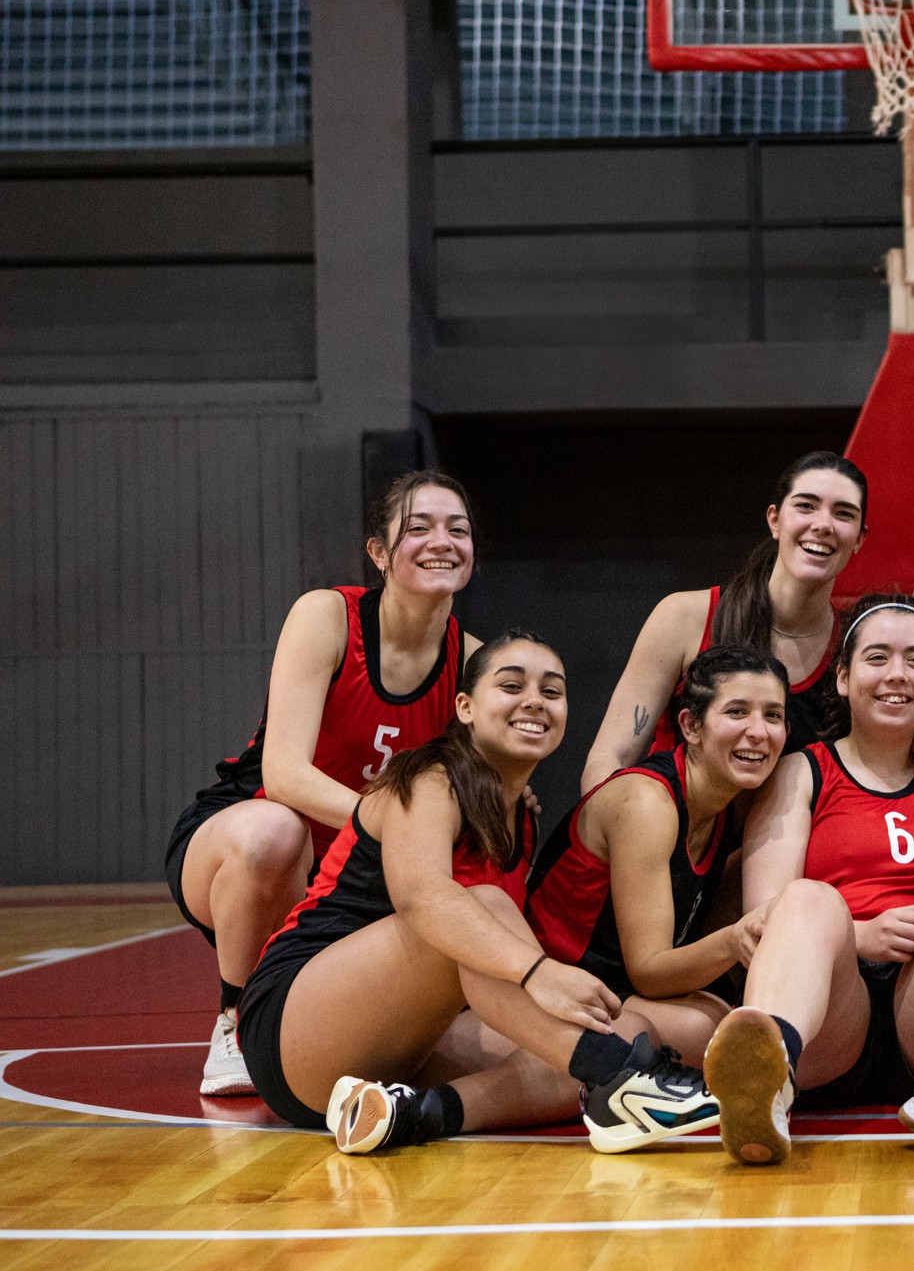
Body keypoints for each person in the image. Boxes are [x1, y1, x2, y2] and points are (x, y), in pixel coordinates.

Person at [237, 633, 719, 1155]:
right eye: (511, 685)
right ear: (465, 707)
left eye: (551, 692)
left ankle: (417, 1114)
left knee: (624, 1027)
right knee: (483, 910)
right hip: (295, 1027)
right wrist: (539, 972)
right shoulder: (428, 777)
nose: (534, 700)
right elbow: (422, 898)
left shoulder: (519, 816)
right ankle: (620, 1079)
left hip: (406, 1038)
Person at [165, 471, 482, 1098]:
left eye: (458, 529)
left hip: (347, 877)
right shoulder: (327, 616)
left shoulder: (473, 663)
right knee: (273, 832)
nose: (441, 540)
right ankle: (233, 1015)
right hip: (244, 841)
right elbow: (283, 774)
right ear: (380, 553)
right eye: (418, 527)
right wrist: (392, 822)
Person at [701, 596, 914, 1164]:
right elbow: (761, 919)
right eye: (878, 657)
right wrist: (861, 935)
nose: (897, 675)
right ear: (844, 676)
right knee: (806, 898)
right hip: (831, 1014)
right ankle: (766, 1081)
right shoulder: (800, 771)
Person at [522, 646, 790, 1088]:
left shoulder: (729, 803)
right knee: (707, 1031)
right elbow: (648, 970)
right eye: (737, 712)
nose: (758, 732)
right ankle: (441, 1107)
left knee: (722, 1024)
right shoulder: (646, 801)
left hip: (613, 997)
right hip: (540, 1004)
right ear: (690, 726)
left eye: (773, 715)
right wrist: (735, 940)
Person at [580, 452, 868, 790]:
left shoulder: (857, 647)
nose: (822, 525)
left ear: (860, 539)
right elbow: (607, 761)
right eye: (806, 506)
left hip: (789, 842)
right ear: (775, 521)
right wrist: (623, 829)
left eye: (843, 513)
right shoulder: (685, 617)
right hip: (672, 835)